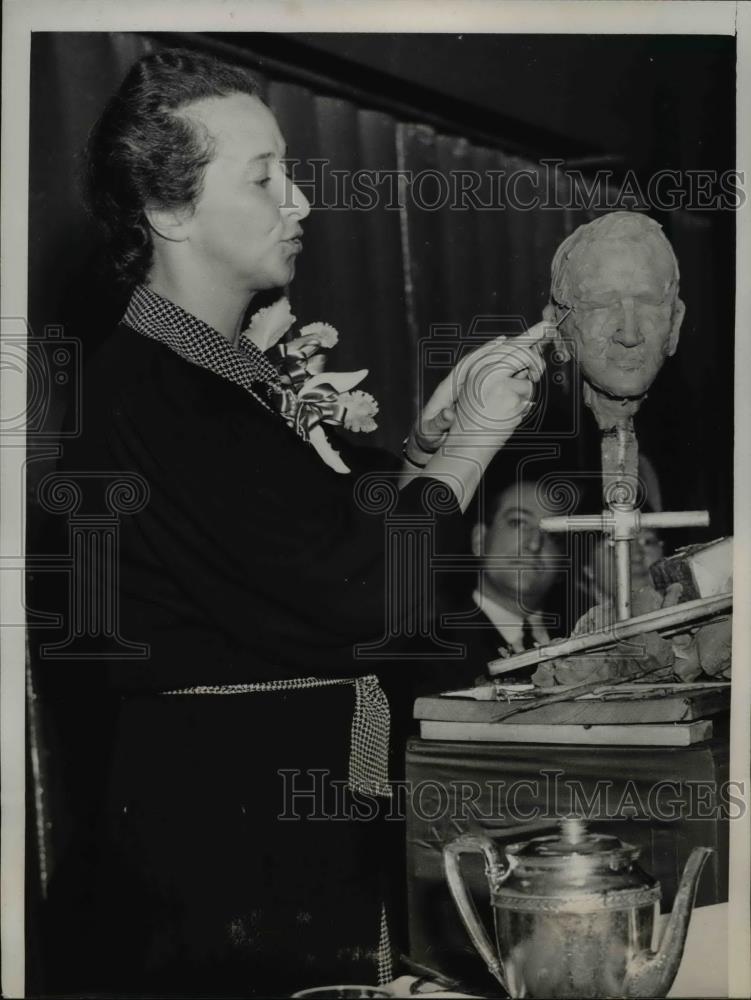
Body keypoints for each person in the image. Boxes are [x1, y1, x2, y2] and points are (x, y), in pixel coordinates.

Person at [36, 48, 546, 996]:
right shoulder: (151, 394)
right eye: (265, 177)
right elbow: (361, 589)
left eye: (294, 171)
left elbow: (310, 531)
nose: (300, 201)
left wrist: (432, 443)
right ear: (169, 209)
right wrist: (472, 446)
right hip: (222, 850)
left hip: (266, 822)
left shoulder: (206, 377)